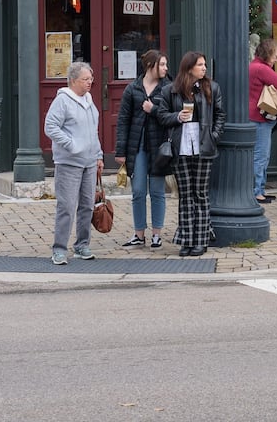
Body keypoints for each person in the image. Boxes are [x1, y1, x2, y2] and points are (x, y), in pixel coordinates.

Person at [155, 52, 224, 256]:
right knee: (185, 195)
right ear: (189, 68)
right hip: (181, 146)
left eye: (204, 64)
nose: (204, 68)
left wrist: (214, 136)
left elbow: (220, 115)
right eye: (200, 65)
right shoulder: (171, 90)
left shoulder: (212, 87)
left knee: (200, 194)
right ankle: (186, 239)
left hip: (204, 145)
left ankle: (201, 240)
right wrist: (177, 116)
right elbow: (161, 115)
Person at [43, 61, 104, 266]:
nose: (90, 82)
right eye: (86, 79)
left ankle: (82, 245)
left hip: (89, 162)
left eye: (91, 79)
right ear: (73, 81)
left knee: (87, 205)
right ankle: (59, 249)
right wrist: (71, 144)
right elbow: (50, 127)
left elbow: (93, 131)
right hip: (68, 162)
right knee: (67, 206)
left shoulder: (88, 100)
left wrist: (99, 155)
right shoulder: (63, 101)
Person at [115, 49, 170, 249]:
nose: (165, 68)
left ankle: (156, 234)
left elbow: (170, 116)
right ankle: (139, 234)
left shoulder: (168, 89)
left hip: (159, 147)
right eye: (162, 64)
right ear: (150, 66)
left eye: (165, 64)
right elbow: (123, 121)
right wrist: (120, 151)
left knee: (157, 191)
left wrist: (153, 110)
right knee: (138, 190)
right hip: (136, 146)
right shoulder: (132, 89)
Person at [248, 38, 277, 204]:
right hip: (259, 118)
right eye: (275, 56)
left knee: (261, 156)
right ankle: (257, 192)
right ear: (267, 54)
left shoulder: (253, 66)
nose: (276, 59)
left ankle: (260, 190)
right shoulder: (260, 68)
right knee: (261, 156)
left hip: (255, 117)